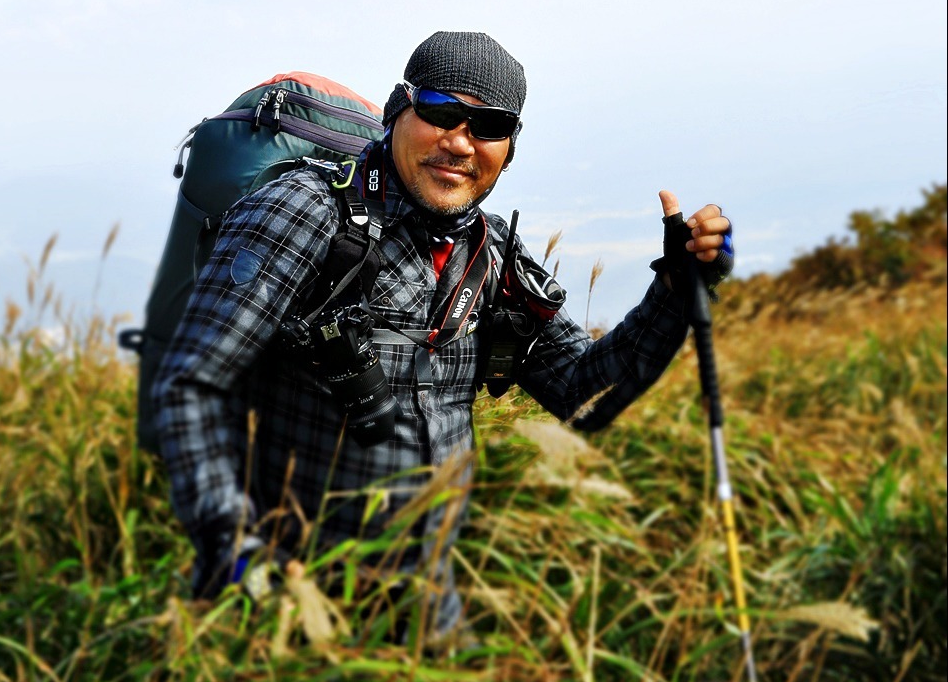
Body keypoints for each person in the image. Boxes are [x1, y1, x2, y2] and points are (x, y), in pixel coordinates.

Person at [153, 31, 732, 633]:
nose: (459, 141)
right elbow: (192, 386)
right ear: (397, 109)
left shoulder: (492, 253)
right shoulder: (304, 210)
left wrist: (676, 289)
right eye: (439, 112)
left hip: (428, 617)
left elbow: (583, 394)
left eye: (488, 125)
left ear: (509, 147)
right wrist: (238, 558)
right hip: (289, 611)